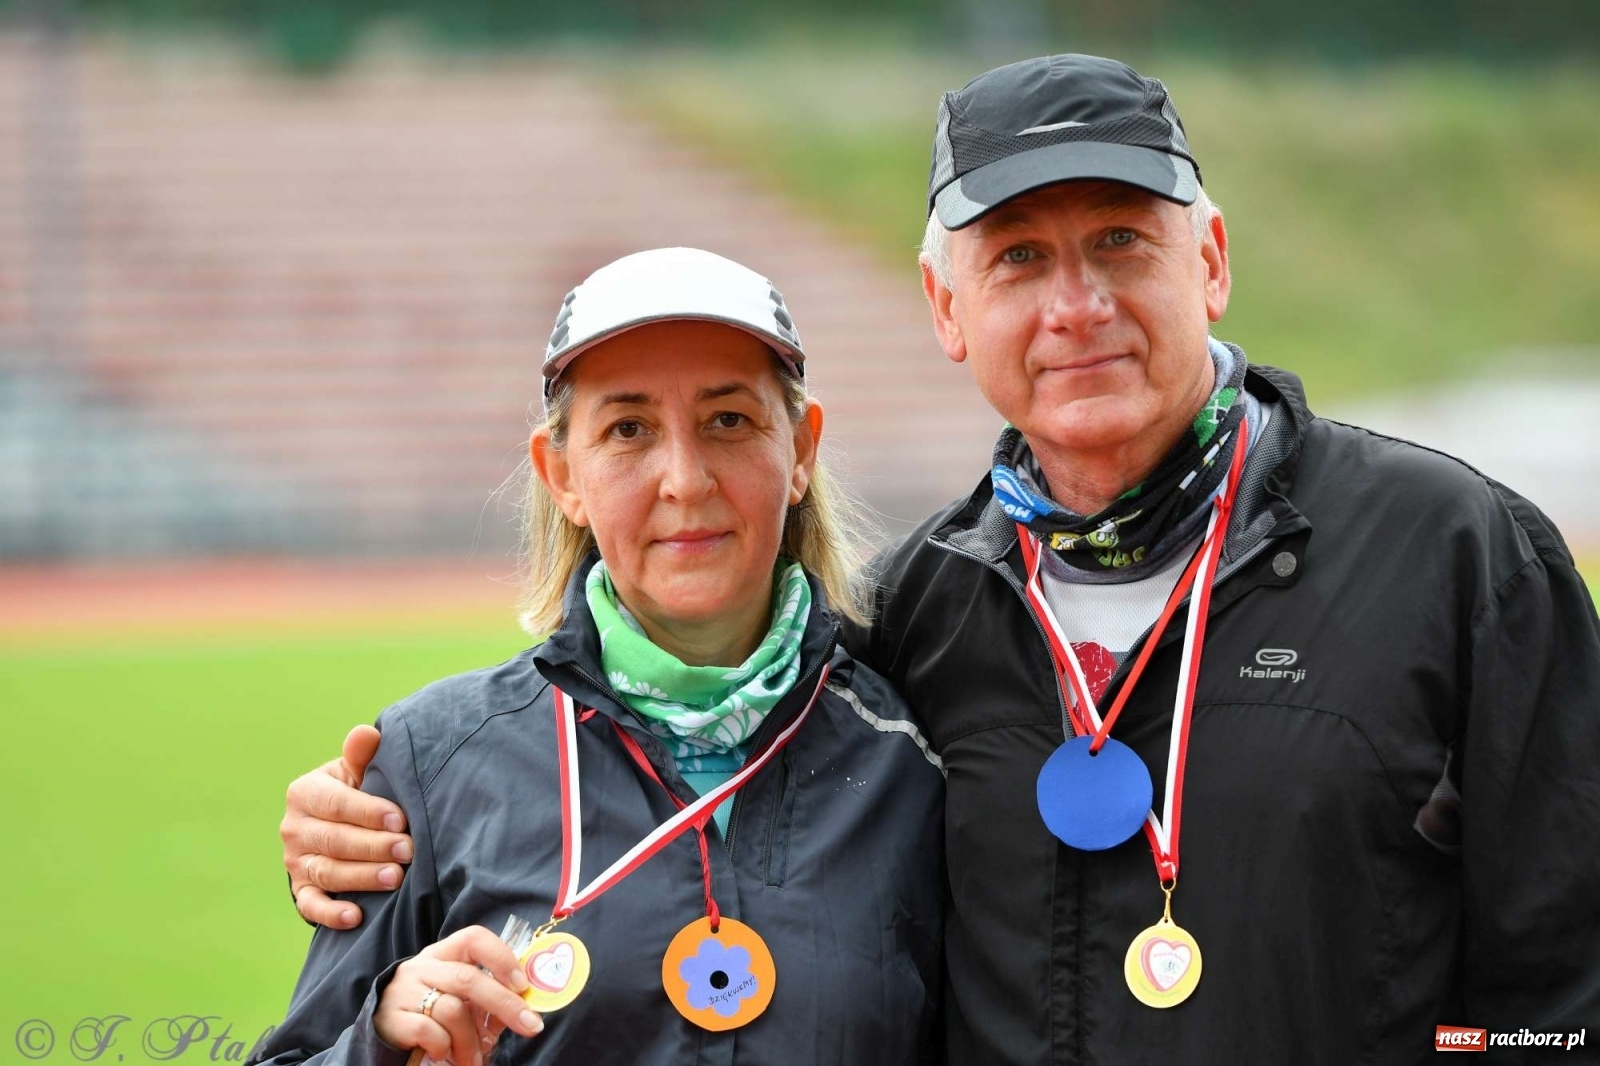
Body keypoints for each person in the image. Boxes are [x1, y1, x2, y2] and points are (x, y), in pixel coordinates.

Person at [278, 55, 1600, 1062]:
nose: (1076, 306)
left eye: (1120, 244)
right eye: (1019, 257)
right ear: (946, 310)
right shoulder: (918, 623)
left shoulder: (1458, 556)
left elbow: (1568, 978)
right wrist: (381, 824)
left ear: (1210, 258)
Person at [252, 247, 944, 1066]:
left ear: (800, 448)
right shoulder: (429, 767)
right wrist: (379, 1043)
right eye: (628, 429)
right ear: (562, 474)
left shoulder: (915, 759)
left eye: (729, 420)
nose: (684, 480)